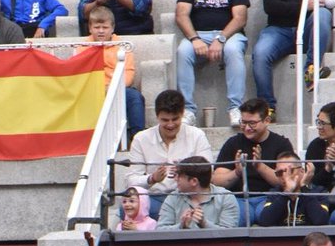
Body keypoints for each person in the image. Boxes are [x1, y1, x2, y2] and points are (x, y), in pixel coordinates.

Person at [125, 89, 214, 220]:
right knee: (126, 209)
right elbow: (130, 181)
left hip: (188, 197)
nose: (170, 125)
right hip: (154, 198)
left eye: (175, 119)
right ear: (157, 116)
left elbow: (208, 170)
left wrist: (184, 172)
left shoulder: (196, 135)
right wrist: (152, 179)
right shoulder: (141, 139)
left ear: (182, 114)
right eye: (165, 120)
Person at [212, 97, 294, 225]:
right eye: (243, 123)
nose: (247, 128)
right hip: (239, 198)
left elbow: (287, 181)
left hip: (270, 197)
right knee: (239, 218)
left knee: (268, 216)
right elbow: (216, 181)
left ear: (267, 121)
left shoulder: (281, 144)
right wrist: (236, 173)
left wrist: (260, 167)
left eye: (252, 123)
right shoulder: (233, 143)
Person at [252, 0, 333, 117]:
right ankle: (267, 107)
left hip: (308, 28)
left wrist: (324, 1)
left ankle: (311, 69)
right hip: (279, 29)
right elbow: (270, 6)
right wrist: (304, 6)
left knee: (322, 14)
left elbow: (332, 0)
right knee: (260, 54)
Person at [174, 0, 248, 128]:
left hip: (230, 35)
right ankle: (188, 110)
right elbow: (181, 15)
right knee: (183, 51)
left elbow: (240, 18)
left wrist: (221, 39)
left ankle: (236, 108)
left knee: (233, 50)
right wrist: (194, 38)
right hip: (198, 35)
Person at [81, 5, 143, 139]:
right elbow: (80, 74)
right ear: (90, 28)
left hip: (118, 88)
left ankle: (137, 138)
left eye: (105, 27)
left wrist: (113, 87)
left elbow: (129, 73)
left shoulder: (123, 46)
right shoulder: (82, 47)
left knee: (134, 97)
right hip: (92, 90)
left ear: (112, 28)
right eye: (97, 27)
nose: (101, 31)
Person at [156, 155, 239, 230]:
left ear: (194, 181)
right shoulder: (173, 197)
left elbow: (229, 234)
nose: (175, 179)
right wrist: (181, 227)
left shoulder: (225, 197)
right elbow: (160, 231)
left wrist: (205, 224)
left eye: (179, 176)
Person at [256, 151, 330, 227]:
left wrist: (304, 189)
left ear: (302, 171)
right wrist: (287, 193)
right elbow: (264, 221)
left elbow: (321, 221)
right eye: (279, 173)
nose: (285, 176)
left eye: (290, 171)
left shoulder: (319, 191)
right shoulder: (275, 193)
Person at [79, 0, 152, 35]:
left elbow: (144, 9)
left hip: (136, 34)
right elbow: (83, 15)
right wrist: (98, 2)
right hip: (101, 36)